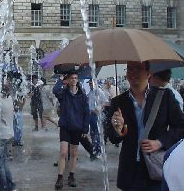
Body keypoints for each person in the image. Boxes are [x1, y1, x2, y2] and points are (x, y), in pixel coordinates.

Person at [108, 61, 184, 191]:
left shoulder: (164, 96)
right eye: (130, 69)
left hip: (155, 168)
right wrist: (117, 129)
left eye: (138, 68)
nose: (133, 73)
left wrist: (160, 142)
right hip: (129, 171)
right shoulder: (118, 102)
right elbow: (114, 138)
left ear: (149, 73)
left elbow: (181, 127)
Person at [53, 71, 90, 189]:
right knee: (63, 152)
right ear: (68, 81)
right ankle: (60, 177)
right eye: (71, 78)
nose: (74, 80)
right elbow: (55, 91)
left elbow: (86, 113)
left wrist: (85, 128)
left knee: (74, 153)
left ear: (77, 80)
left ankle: (71, 175)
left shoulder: (82, 96)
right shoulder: (64, 93)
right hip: (65, 126)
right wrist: (61, 79)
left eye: (75, 78)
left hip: (77, 127)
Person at [0, 82, 17, 191]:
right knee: (4, 161)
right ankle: (9, 185)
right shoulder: (10, 99)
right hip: (8, 134)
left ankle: (1, 187)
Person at [87, 80, 109, 157]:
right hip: (91, 114)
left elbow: (105, 102)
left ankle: (98, 150)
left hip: (96, 115)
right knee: (92, 133)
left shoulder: (99, 92)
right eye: (89, 84)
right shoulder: (91, 92)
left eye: (91, 83)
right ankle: (94, 148)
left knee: (97, 132)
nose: (90, 85)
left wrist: (99, 108)